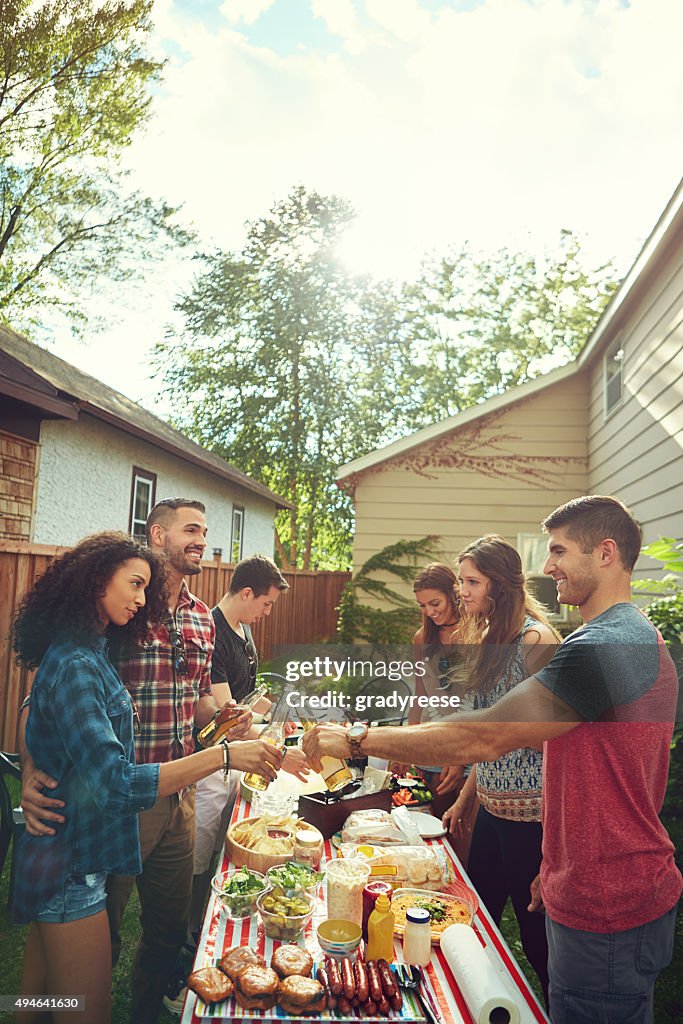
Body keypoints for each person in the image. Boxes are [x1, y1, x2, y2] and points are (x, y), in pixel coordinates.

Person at [304, 496, 682, 1024]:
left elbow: (484, 736)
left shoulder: (607, 645)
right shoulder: (630, 637)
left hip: (608, 907)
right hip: (592, 885)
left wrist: (359, 739)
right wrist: (555, 864)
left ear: (606, 553)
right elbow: (592, 774)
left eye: (558, 551)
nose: (547, 567)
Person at [11, 532, 281, 1024]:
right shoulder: (77, 663)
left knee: (32, 1002)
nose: (139, 599)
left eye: (145, 589)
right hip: (72, 861)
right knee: (86, 1009)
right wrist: (223, 757)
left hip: (64, 852)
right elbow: (116, 782)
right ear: (97, 579)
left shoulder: (91, 648)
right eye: (134, 585)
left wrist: (221, 727)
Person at [163, 554, 310, 1014]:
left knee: (215, 859)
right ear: (246, 594)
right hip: (208, 765)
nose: (267, 613)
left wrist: (283, 706)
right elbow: (230, 717)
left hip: (235, 764)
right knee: (196, 857)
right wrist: (274, 747)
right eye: (265, 604)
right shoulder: (213, 630)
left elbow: (250, 702)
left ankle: (202, 934)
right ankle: (182, 951)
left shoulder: (244, 632)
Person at [440, 536, 560, 1003]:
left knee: (537, 940)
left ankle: (556, 1009)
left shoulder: (536, 640)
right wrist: (466, 799)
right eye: (461, 581)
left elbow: (553, 736)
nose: (462, 592)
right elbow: (491, 738)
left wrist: (493, 732)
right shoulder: (493, 636)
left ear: (501, 585)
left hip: (531, 819)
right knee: (475, 919)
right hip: (492, 812)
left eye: (472, 582)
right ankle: (478, 1005)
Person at [391, 564, 471, 850]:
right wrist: (403, 745)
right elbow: (419, 697)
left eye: (435, 603)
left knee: (459, 838)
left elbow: (482, 703)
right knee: (426, 834)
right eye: (422, 605)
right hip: (430, 749)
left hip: (468, 753)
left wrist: (460, 754)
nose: (429, 612)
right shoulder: (422, 639)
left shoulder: (477, 634)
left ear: (456, 594)